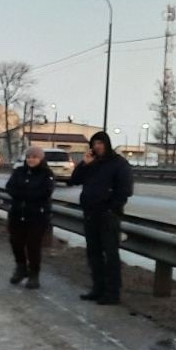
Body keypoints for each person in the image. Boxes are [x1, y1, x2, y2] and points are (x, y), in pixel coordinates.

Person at [68, 130, 133, 304]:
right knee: (93, 253)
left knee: (110, 254)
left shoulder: (119, 164)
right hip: (90, 213)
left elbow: (125, 190)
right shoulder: (92, 163)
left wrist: (112, 208)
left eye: (100, 143)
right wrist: (84, 164)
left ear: (107, 144)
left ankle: (112, 292)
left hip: (108, 216)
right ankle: (97, 288)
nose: (97, 147)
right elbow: (74, 180)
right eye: (94, 144)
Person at [4, 146, 54, 289]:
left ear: (40, 158)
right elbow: (10, 187)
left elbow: (45, 192)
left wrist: (24, 194)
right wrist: (25, 194)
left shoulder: (46, 174)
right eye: (29, 157)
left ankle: (34, 274)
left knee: (33, 245)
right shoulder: (19, 171)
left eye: (34, 157)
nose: (31, 160)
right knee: (16, 242)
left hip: (37, 216)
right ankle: (21, 268)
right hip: (17, 214)